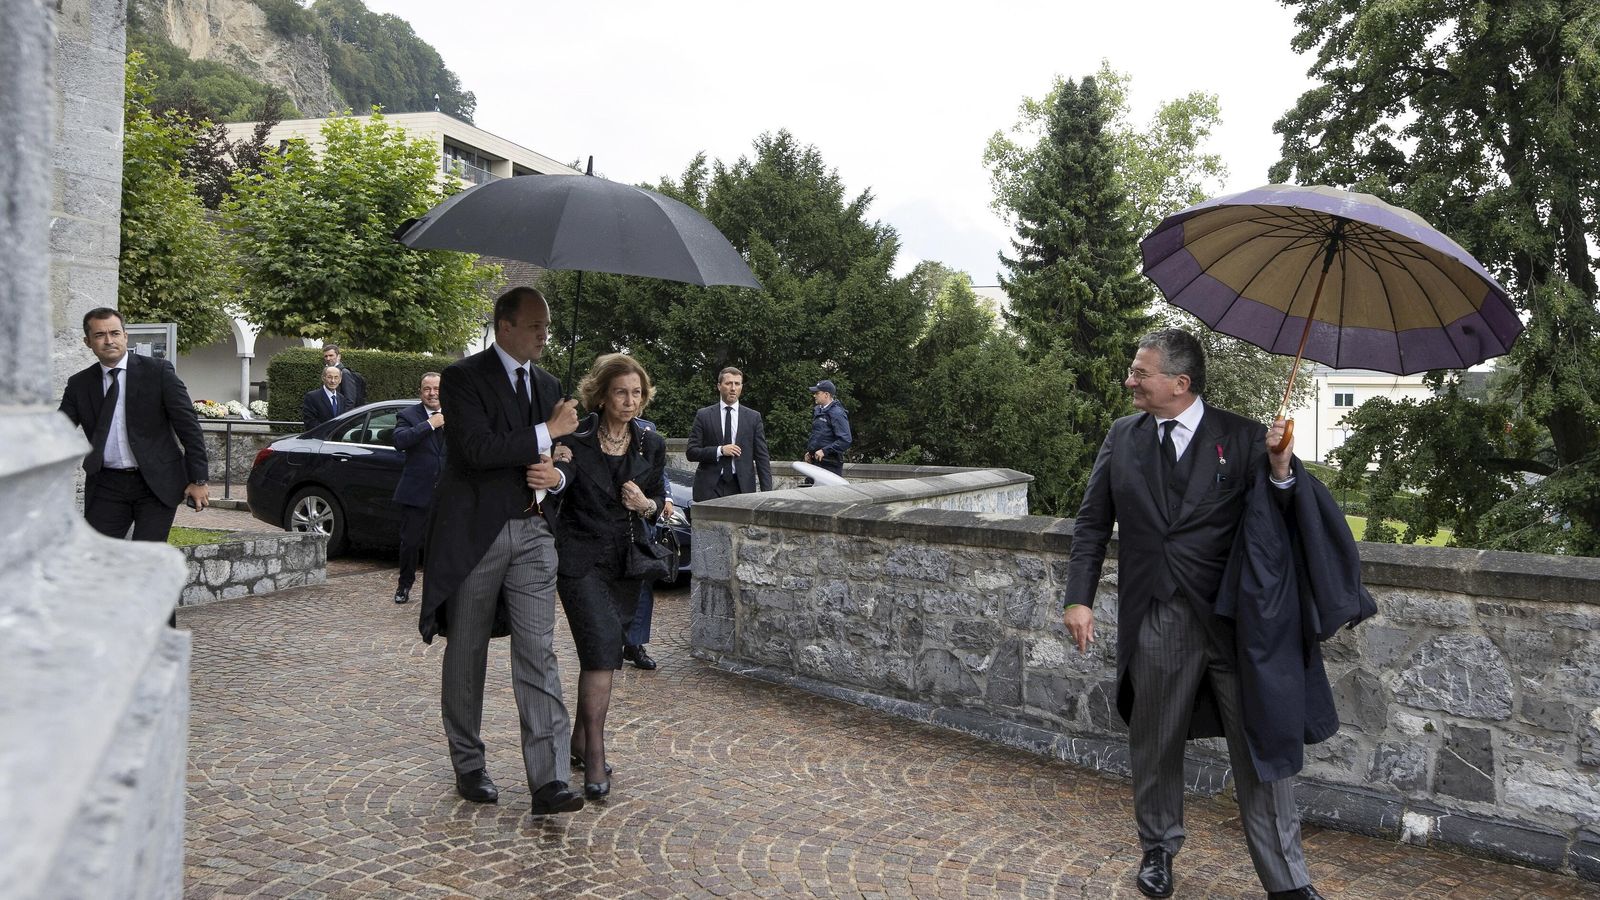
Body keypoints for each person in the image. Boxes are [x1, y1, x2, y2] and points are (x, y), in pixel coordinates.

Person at [1061, 328, 1324, 900]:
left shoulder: (1247, 437)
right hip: (1159, 615)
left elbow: (1282, 520)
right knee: (1155, 741)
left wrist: (1281, 467)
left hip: (1237, 623)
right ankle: (1157, 850)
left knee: (1261, 747)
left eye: (1140, 372)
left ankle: (1287, 880)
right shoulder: (1123, 436)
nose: (1129, 381)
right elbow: (1092, 522)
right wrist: (1079, 597)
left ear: (1179, 383)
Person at [416, 286, 585, 817]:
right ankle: (469, 763)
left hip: (534, 533)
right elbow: (474, 449)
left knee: (539, 650)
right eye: (535, 326)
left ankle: (550, 780)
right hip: (476, 535)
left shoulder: (550, 385)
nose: (544, 335)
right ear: (504, 326)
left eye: (547, 326)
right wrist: (546, 429)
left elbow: (567, 452)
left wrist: (557, 472)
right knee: (467, 649)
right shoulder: (463, 378)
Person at [553, 353, 668, 801]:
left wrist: (645, 505)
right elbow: (558, 487)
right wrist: (556, 466)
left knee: (602, 654)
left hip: (626, 564)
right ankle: (596, 755)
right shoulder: (575, 439)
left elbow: (658, 503)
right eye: (621, 392)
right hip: (580, 563)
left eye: (637, 393)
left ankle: (578, 742)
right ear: (601, 396)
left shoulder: (650, 443)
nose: (630, 400)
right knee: (601, 650)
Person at [58, 307, 210, 627]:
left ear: (126, 336)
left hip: (155, 485)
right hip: (107, 485)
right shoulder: (79, 384)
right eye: (100, 335)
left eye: (115, 333)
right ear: (88, 342)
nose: (109, 340)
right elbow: (57, 431)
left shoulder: (158, 372)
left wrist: (198, 479)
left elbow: (188, 427)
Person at [390, 372, 445, 605]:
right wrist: (430, 424)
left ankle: (440, 590)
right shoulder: (408, 415)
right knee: (410, 543)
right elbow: (399, 441)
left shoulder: (457, 413)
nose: (432, 393)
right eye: (427, 389)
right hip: (416, 493)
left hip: (447, 494)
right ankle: (404, 585)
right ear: (420, 391)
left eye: (437, 389)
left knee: (443, 546)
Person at [686, 366, 772, 502]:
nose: (733, 388)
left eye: (737, 384)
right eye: (728, 383)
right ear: (719, 386)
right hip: (709, 488)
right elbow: (691, 452)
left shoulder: (753, 417)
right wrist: (720, 450)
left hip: (742, 488)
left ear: (741, 387)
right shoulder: (704, 415)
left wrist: (767, 494)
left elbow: (762, 458)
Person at [623, 417, 669, 671]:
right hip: (604, 527)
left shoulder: (648, 433)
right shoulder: (589, 432)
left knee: (642, 585)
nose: (629, 401)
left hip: (641, 522)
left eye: (636, 397)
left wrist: (662, 500)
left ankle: (635, 644)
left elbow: (658, 474)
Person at [804, 379, 851, 477]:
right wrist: (811, 452)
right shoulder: (818, 410)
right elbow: (819, 435)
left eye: (817, 393)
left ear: (826, 394)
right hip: (816, 462)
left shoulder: (837, 413)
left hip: (830, 465)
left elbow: (845, 440)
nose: (814, 396)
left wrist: (824, 451)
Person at [323, 343, 366, 408]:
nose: (328, 358)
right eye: (326, 356)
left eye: (331, 355)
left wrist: (344, 414)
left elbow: (350, 400)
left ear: (339, 357)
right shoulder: (326, 371)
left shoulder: (344, 373)